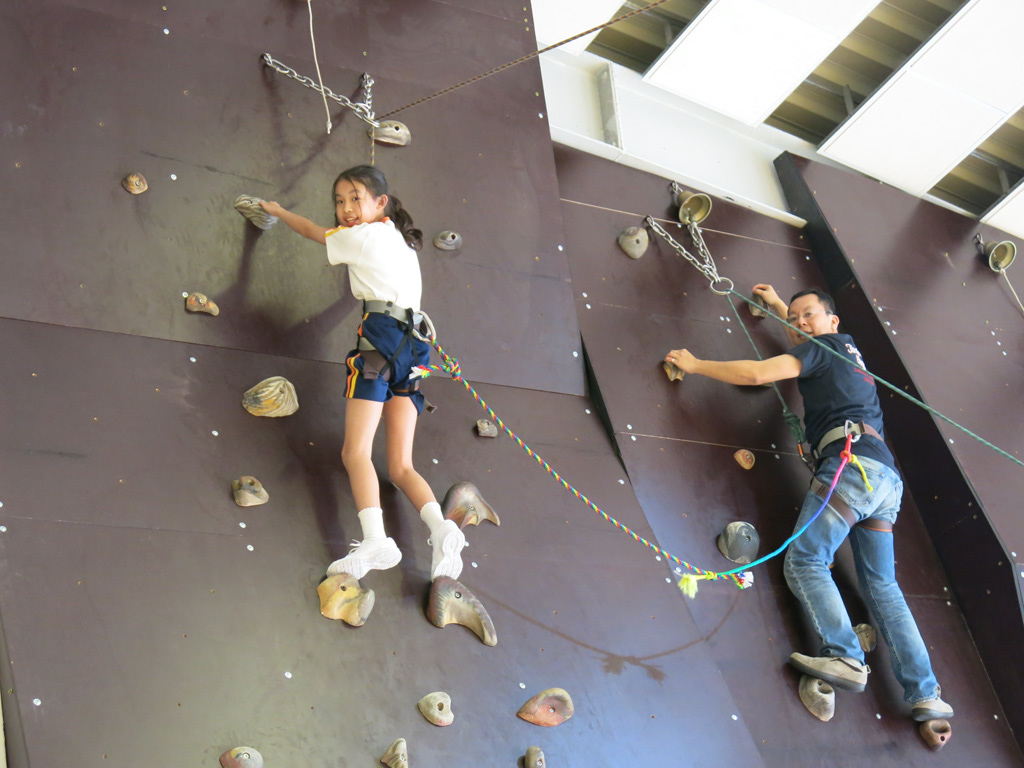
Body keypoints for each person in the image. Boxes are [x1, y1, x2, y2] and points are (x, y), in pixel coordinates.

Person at [664, 284, 953, 722]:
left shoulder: (823, 347)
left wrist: (695, 363)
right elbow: (807, 336)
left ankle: (845, 656)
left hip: (851, 468)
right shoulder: (847, 352)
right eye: (794, 319)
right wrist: (780, 307)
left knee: (805, 561)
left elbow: (759, 374)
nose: (799, 324)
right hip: (883, 480)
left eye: (808, 316)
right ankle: (926, 692)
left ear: (832, 320)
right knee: (883, 587)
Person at [258, 165, 466, 582]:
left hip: (382, 339)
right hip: (416, 348)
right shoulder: (400, 240)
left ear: (380, 202)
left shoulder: (363, 236)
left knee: (355, 452)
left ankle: (376, 540)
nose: (346, 209)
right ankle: (442, 529)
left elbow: (313, 231)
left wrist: (277, 211)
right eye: (339, 201)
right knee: (401, 465)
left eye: (355, 198)